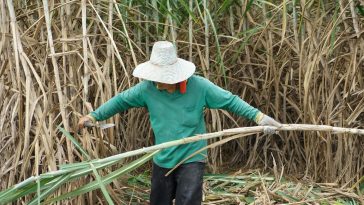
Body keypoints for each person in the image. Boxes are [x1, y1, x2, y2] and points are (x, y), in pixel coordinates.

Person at [78, 41, 281, 205]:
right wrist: (94, 116)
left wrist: (260, 118)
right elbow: (120, 101)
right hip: (163, 156)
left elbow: (230, 100)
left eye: (161, 79)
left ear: (176, 77)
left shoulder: (200, 87)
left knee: (188, 200)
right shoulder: (147, 89)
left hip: (192, 156)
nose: (157, 82)